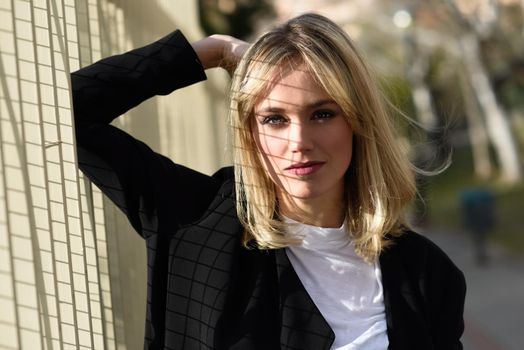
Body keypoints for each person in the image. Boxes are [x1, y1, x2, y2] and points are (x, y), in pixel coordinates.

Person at [72, 13, 466, 350]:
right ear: (249, 131)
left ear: (358, 120)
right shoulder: (192, 216)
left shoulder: (429, 274)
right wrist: (214, 52)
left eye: (323, 114)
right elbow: (71, 106)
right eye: (274, 119)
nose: (299, 143)